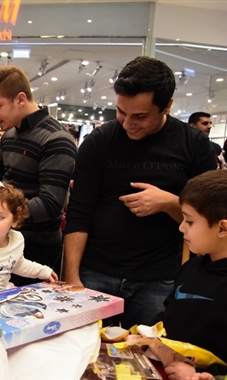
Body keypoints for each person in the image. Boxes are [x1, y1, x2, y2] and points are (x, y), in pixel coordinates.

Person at [63, 56, 217, 329]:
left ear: (167, 105)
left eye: (140, 116)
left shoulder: (194, 145)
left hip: (159, 279)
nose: (127, 123)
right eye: (121, 112)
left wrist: (170, 203)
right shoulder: (99, 141)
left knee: (148, 359)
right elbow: (79, 211)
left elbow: (208, 217)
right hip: (96, 271)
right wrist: (72, 276)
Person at [0, 66, 77, 281]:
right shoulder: (10, 136)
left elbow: (50, 205)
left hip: (36, 250)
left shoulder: (56, 139)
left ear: (20, 99)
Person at [160, 170, 227, 380]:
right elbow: (169, 313)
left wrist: (201, 374)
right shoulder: (191, 268)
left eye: (189, 221)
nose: (181, 228)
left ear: (222, 228)